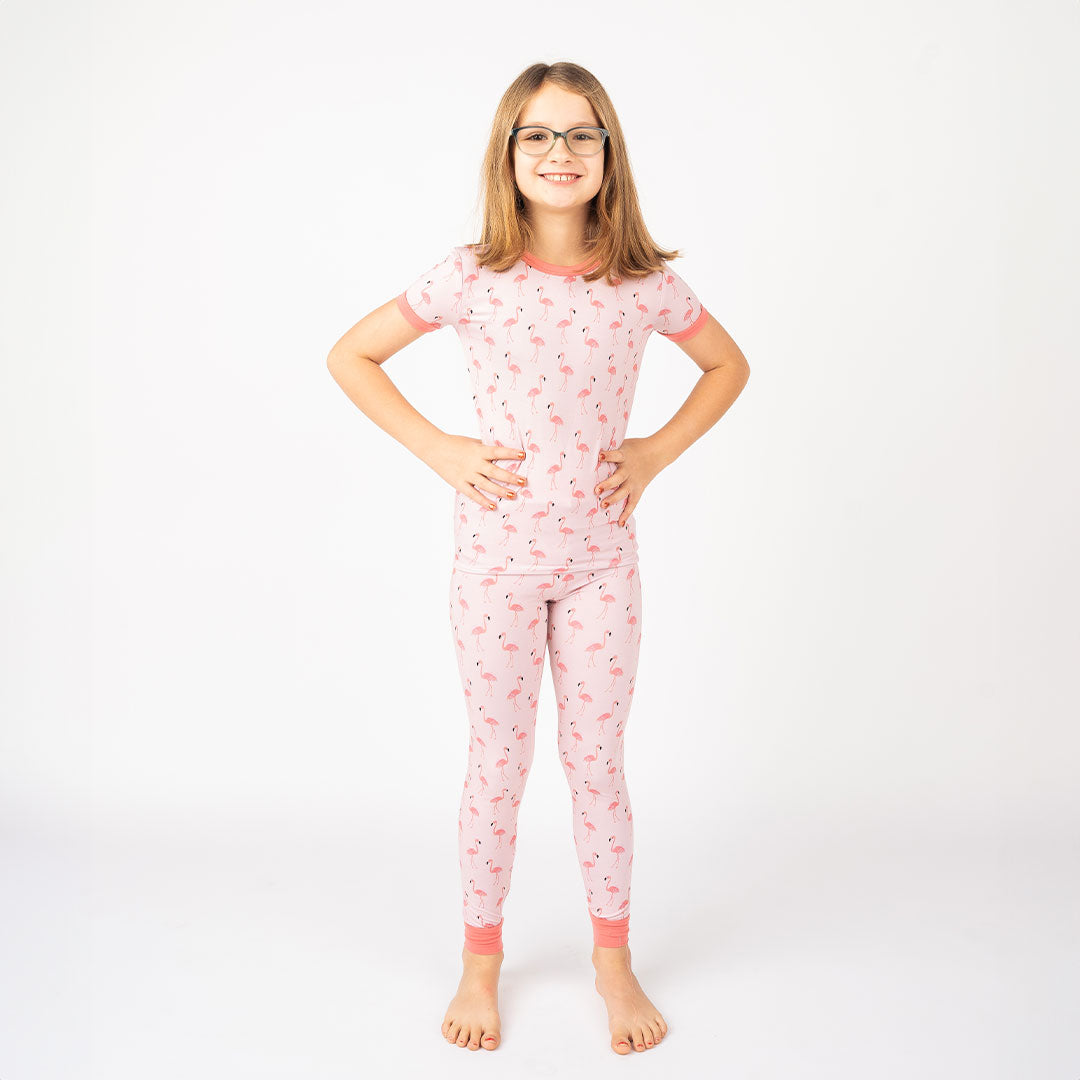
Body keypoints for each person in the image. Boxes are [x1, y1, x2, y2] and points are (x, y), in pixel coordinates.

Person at [327, 60, 750, 1056]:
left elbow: (729, 365)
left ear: (609, 154)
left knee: (597, 764)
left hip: (604, 560)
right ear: (508, 154)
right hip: (496, 566)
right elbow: (353, 354)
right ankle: (482, 958)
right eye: (539, 136)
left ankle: (613, 960)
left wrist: (652, 451)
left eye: (581, 135)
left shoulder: (642, 283)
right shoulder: (470, 274)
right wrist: (440, 450)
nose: (561, 154)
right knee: (498, 764)